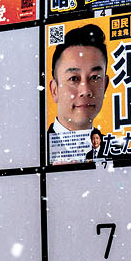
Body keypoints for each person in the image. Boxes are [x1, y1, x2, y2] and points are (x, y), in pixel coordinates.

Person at [46, 24, 108, 165]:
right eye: (74, 78)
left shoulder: (118, 152)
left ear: (105, 86)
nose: (85, 90)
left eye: (95, 77)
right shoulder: (34, 150)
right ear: (54, 89)